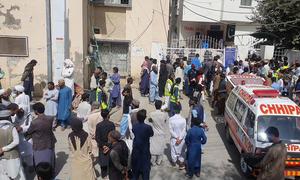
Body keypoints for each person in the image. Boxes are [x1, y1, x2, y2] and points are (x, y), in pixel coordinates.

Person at [25, 103, 56, 178]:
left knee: (40, 162)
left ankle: (42, 176)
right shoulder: (50, 118)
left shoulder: (34, 122)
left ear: (36, 111)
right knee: (50, 160)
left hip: (39, 145)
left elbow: (29, 131)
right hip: (50, 142)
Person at [0, 109, 26, 180]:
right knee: (17, 174)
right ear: (8, 117)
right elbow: (16, 141)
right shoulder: (12, 128)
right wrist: (4, 149)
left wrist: (2, 149)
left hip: (1, 156)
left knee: (4, 174)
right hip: (13, 155)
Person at [8, 103, 34, 171]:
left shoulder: (28, 116)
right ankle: (23, 163)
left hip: (27, 137)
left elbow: (30, 127)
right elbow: (14, 123)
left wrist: (22, 128)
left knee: (29, 153)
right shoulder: (14, 116)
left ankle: (31, 165)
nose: (19, 113)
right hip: (18, 137)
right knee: (20, 152)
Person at [131, 109, 154, 180]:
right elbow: (151, 134)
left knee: (135, 171)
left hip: (136, 150)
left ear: (137, 118)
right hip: (145, 150)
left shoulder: (134, 126)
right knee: (145, 171)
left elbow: (134, 132)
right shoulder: (148, 127)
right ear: (145, 117)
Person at [95, 110, 116, 179]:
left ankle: (104, 175)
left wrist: (103, 146)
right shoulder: (112, 124)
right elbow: (114, 136)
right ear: (108, 115)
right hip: (110, 145)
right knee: (110, 160)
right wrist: (109, 145)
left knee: (103, 160)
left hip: (102, 146)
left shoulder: (98, 125)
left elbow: (97, 137)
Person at [147, 100, 168, 166]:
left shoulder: (151, 114)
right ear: (161, 106)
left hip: (154, 133)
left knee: (153, 148)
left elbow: (149, 121)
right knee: (160, 147)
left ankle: (153, 162)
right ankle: (159, 161)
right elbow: (165, 122)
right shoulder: (164, 114)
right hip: (161, 133)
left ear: (155, 106)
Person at [169, 104, 186, 170]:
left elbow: (170, 130)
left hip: (174, 139)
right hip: (181, 139)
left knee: (173, 151)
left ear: (174, 110)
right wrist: (180, 138)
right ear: (180, 110)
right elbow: (184, 130)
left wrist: (176, 137)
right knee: (181, 151)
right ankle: (181, 164)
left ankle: (174, 162)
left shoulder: (171, 119)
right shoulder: (183, 119)